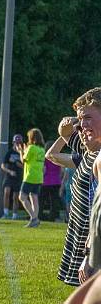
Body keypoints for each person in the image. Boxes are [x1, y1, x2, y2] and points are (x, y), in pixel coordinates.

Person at [55, 88, 101, 287]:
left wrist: (90, 254)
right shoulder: (90, 148)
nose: (82, 125)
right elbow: (64, 133)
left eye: (88, 117)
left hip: (92, 247)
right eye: (80, 119)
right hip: (83, 240)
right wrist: (73, 121)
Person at [18, 128, 46, 228]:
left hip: (29, 176)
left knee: (22, 197)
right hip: (38, 177)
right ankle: (34, 219)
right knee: (34, 198)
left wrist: (21, 151)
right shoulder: (42, 149)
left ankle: (34, 218)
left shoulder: (31, 148)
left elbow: (23, 160)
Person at [0, 134, 24, 219]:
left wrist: (16, 163)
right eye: (16, 143)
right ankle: (5, 213)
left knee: (15, 197)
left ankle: (14, 215)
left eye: (19, 143)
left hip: (18, 176)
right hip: (9, 176)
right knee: (6, 193)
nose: (17, 144)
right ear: (13, 143)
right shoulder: (10, 152)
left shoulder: (23, 152)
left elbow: (25, 166)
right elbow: (2, 165)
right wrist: (9, 171)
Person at [40, 140, 63, 222]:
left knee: (42, 200)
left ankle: (40, 215)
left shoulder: (45, 157)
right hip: (56, 181)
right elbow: (61, 171)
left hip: (46, 181)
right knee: (54, 201)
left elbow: (44, 169)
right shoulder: (57, 157)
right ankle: (53, 216)